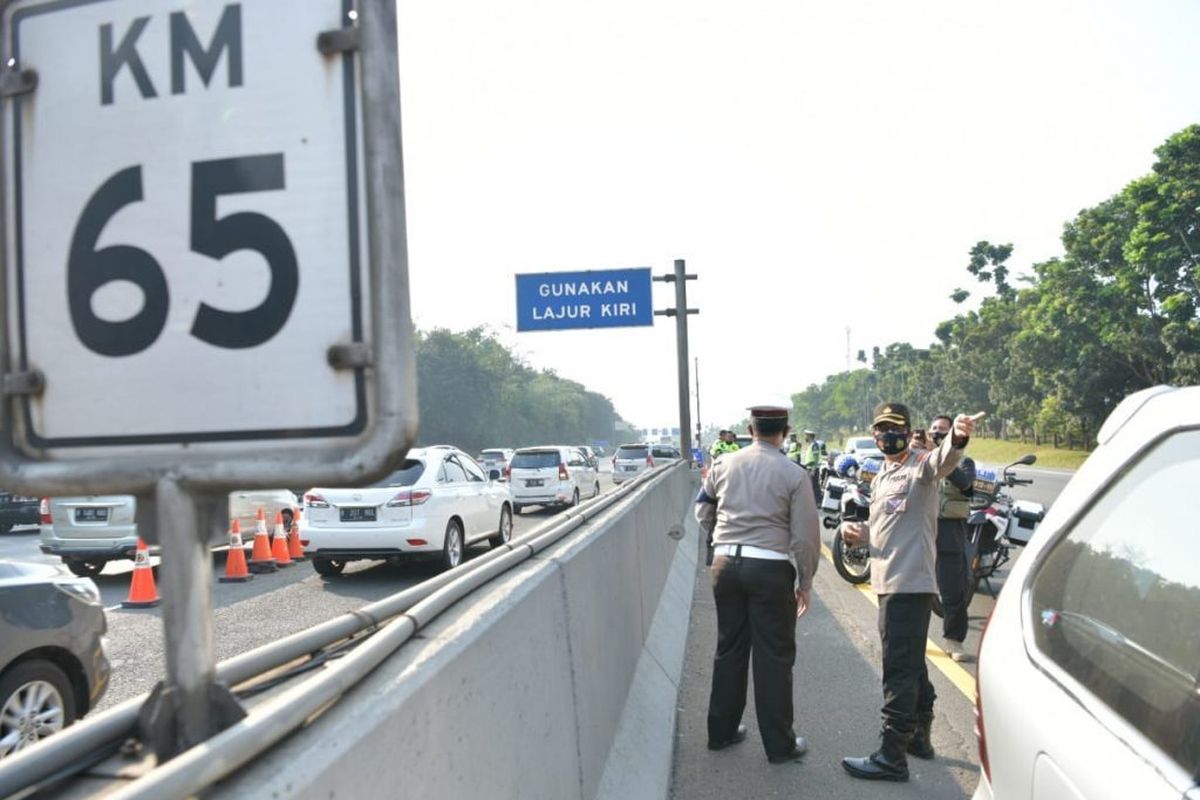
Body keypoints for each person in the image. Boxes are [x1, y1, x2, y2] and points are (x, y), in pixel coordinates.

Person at [838, 402, 979, 782]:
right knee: (912, 665)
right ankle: (919, 736)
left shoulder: (922, 466)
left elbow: (945, 459)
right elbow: (888, 527)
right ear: (874, 435)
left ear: (908, 430)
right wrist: (860, 533)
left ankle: (891, 755)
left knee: (897, 670)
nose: (888, 435)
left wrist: (959, 435)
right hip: (888, 580)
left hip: (909, 584)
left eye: (895, 428)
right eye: (882, 429)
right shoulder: (882, 475)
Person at [695, 406, 821, 764]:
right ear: (785, 431)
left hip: (725, 565)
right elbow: (805, 536)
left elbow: (702, 512)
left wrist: (721, 541)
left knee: (729, 649)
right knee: (773, 656)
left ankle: (720, 733)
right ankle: (780, 745)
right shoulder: (794, 473)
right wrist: (806, 581)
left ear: (750, 429)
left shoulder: (723, 465)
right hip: (769, 568)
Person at [927, 415, 976, 661]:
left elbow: (966, 484)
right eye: (933, 429)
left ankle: (954, 640)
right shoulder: (919, 459)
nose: (937, 433)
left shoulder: (965, 463)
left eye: (943, 431)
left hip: (949, 532)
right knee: (912, 586)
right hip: (922, 530)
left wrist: (946, 456)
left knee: (953, 591)